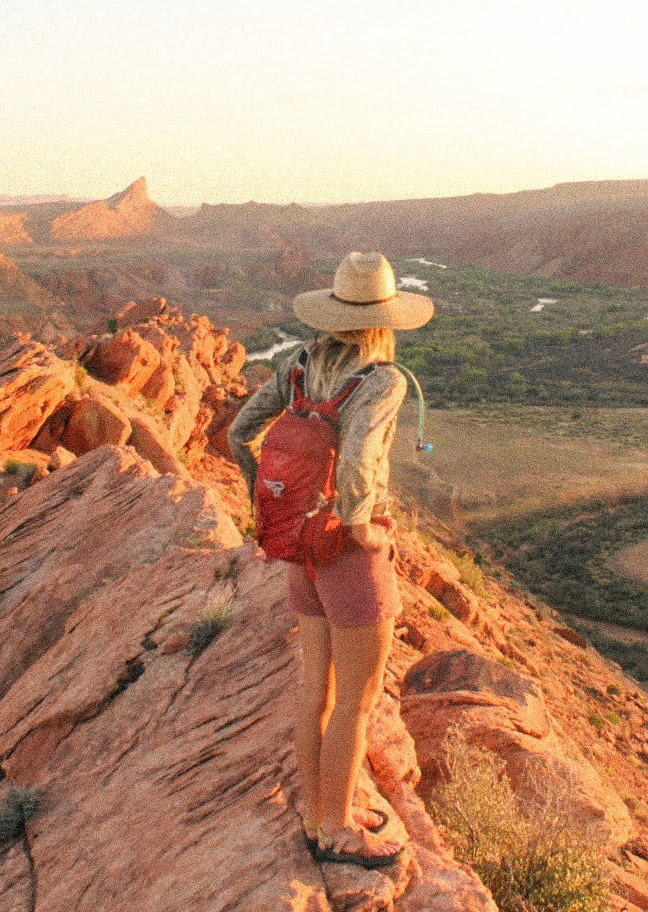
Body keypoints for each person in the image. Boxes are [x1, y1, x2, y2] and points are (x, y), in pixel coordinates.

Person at [227, 251, 433, 869]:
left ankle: (318, 814)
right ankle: (339, 832)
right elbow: (358, 459)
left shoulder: (297, 364)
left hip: (299, 546)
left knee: (314, 691)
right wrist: (362, 525)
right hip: (344, 553)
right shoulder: (382, 380)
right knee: (358, 700)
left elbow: (241, 432)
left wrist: (269, 507)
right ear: (385, 318)